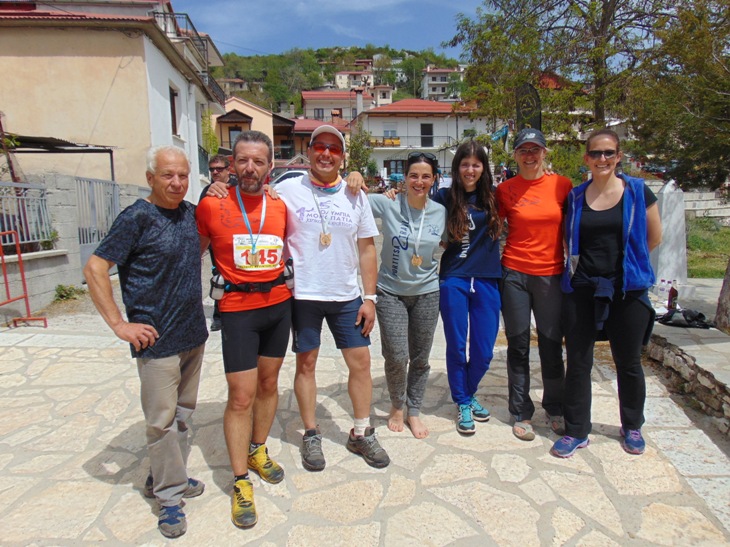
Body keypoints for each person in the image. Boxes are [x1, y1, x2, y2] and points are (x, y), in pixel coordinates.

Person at [83, 146, 208, 539]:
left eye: (183, 175)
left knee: (182, 415)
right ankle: (169, 499)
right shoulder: (136, 217)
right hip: (156, 342)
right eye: (168, 175)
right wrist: (120, 325)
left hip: (192, 334)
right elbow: (95, 268)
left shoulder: (190, 214)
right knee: (161, 422)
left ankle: (168, 474)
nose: (177, 182)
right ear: (151, 178)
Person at [263, 125, 390, 469]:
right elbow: (256, 197)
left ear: (342, 157)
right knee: (306, 364)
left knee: (361, 362)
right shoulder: (287, 189)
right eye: (319, 146)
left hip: (346, 295)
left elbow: (367, 249)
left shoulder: (355, 194)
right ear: (309, 151)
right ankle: (311, 433)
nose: (326, 153)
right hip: (303, 294)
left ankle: (361, 432)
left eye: (334, 148)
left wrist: (370, 298)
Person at [196, 131, 290, 529]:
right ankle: (239, 480)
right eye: (243, 160)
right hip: (237, 310)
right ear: (232, 164)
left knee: (268, 385)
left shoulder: (280, 205)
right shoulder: (211, 204)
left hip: (278, 305)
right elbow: (191, 253)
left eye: (259, 161)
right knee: (240, 396)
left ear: (270, 166)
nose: (250, 168)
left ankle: (258, 449)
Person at [551, 128, 662, 458]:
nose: (602, 159)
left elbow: (654, 236)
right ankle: (576, 430)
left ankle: (632, 426)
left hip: (626, 289)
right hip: (582, 287)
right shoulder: (575, 197)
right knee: (578, 361)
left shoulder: (637, 191)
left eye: (608, 153)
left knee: (628, 362)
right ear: (586, 158)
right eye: (596, 153)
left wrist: (630, 265)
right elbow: (568, 239)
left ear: (618, 156)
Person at [348, 152, 447, 438]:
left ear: (434, 179)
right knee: (396, 355)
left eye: (426, 176)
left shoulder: (440, 212)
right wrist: (353, 177)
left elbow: (448, 242)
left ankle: (413, 409)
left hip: (427, 292)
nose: (419, 181)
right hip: (390, 292)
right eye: (413, 175)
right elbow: (349, 199)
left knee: (420, 357)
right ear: (404, 178)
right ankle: (397, 405)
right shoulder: (388, 202)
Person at [495, 128, 573, 441]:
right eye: (523, 150)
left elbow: (575, 226)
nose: (530, 156)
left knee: (551, 344)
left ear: (544, 153)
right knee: (518, 345)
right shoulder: (505, 190)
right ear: (515, 155)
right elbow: (489, 225)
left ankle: (555, 407)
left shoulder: (562, 185)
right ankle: (520, 411)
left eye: (535, 149)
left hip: (551, 275)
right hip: (514, 274)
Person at [435, 141, 502, 434]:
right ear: (457, 167)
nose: (470, 170)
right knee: (457, 344)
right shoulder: (443, 197)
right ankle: (463, 400)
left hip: (487, 278)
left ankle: (468, 391)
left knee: (484, 350)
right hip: (454, 278)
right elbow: (412, 206)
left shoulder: (495, 197)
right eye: (465, 164)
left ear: (483, 168)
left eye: (476, 164)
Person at [203, 154, 237, 331]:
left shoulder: (237, 187)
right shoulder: (207, 191)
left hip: (236, 241)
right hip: (216, 243)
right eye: (212, 169)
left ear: (228, 170)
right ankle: (218, 316)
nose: (215, 172)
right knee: (218, 277)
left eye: (219, 169)